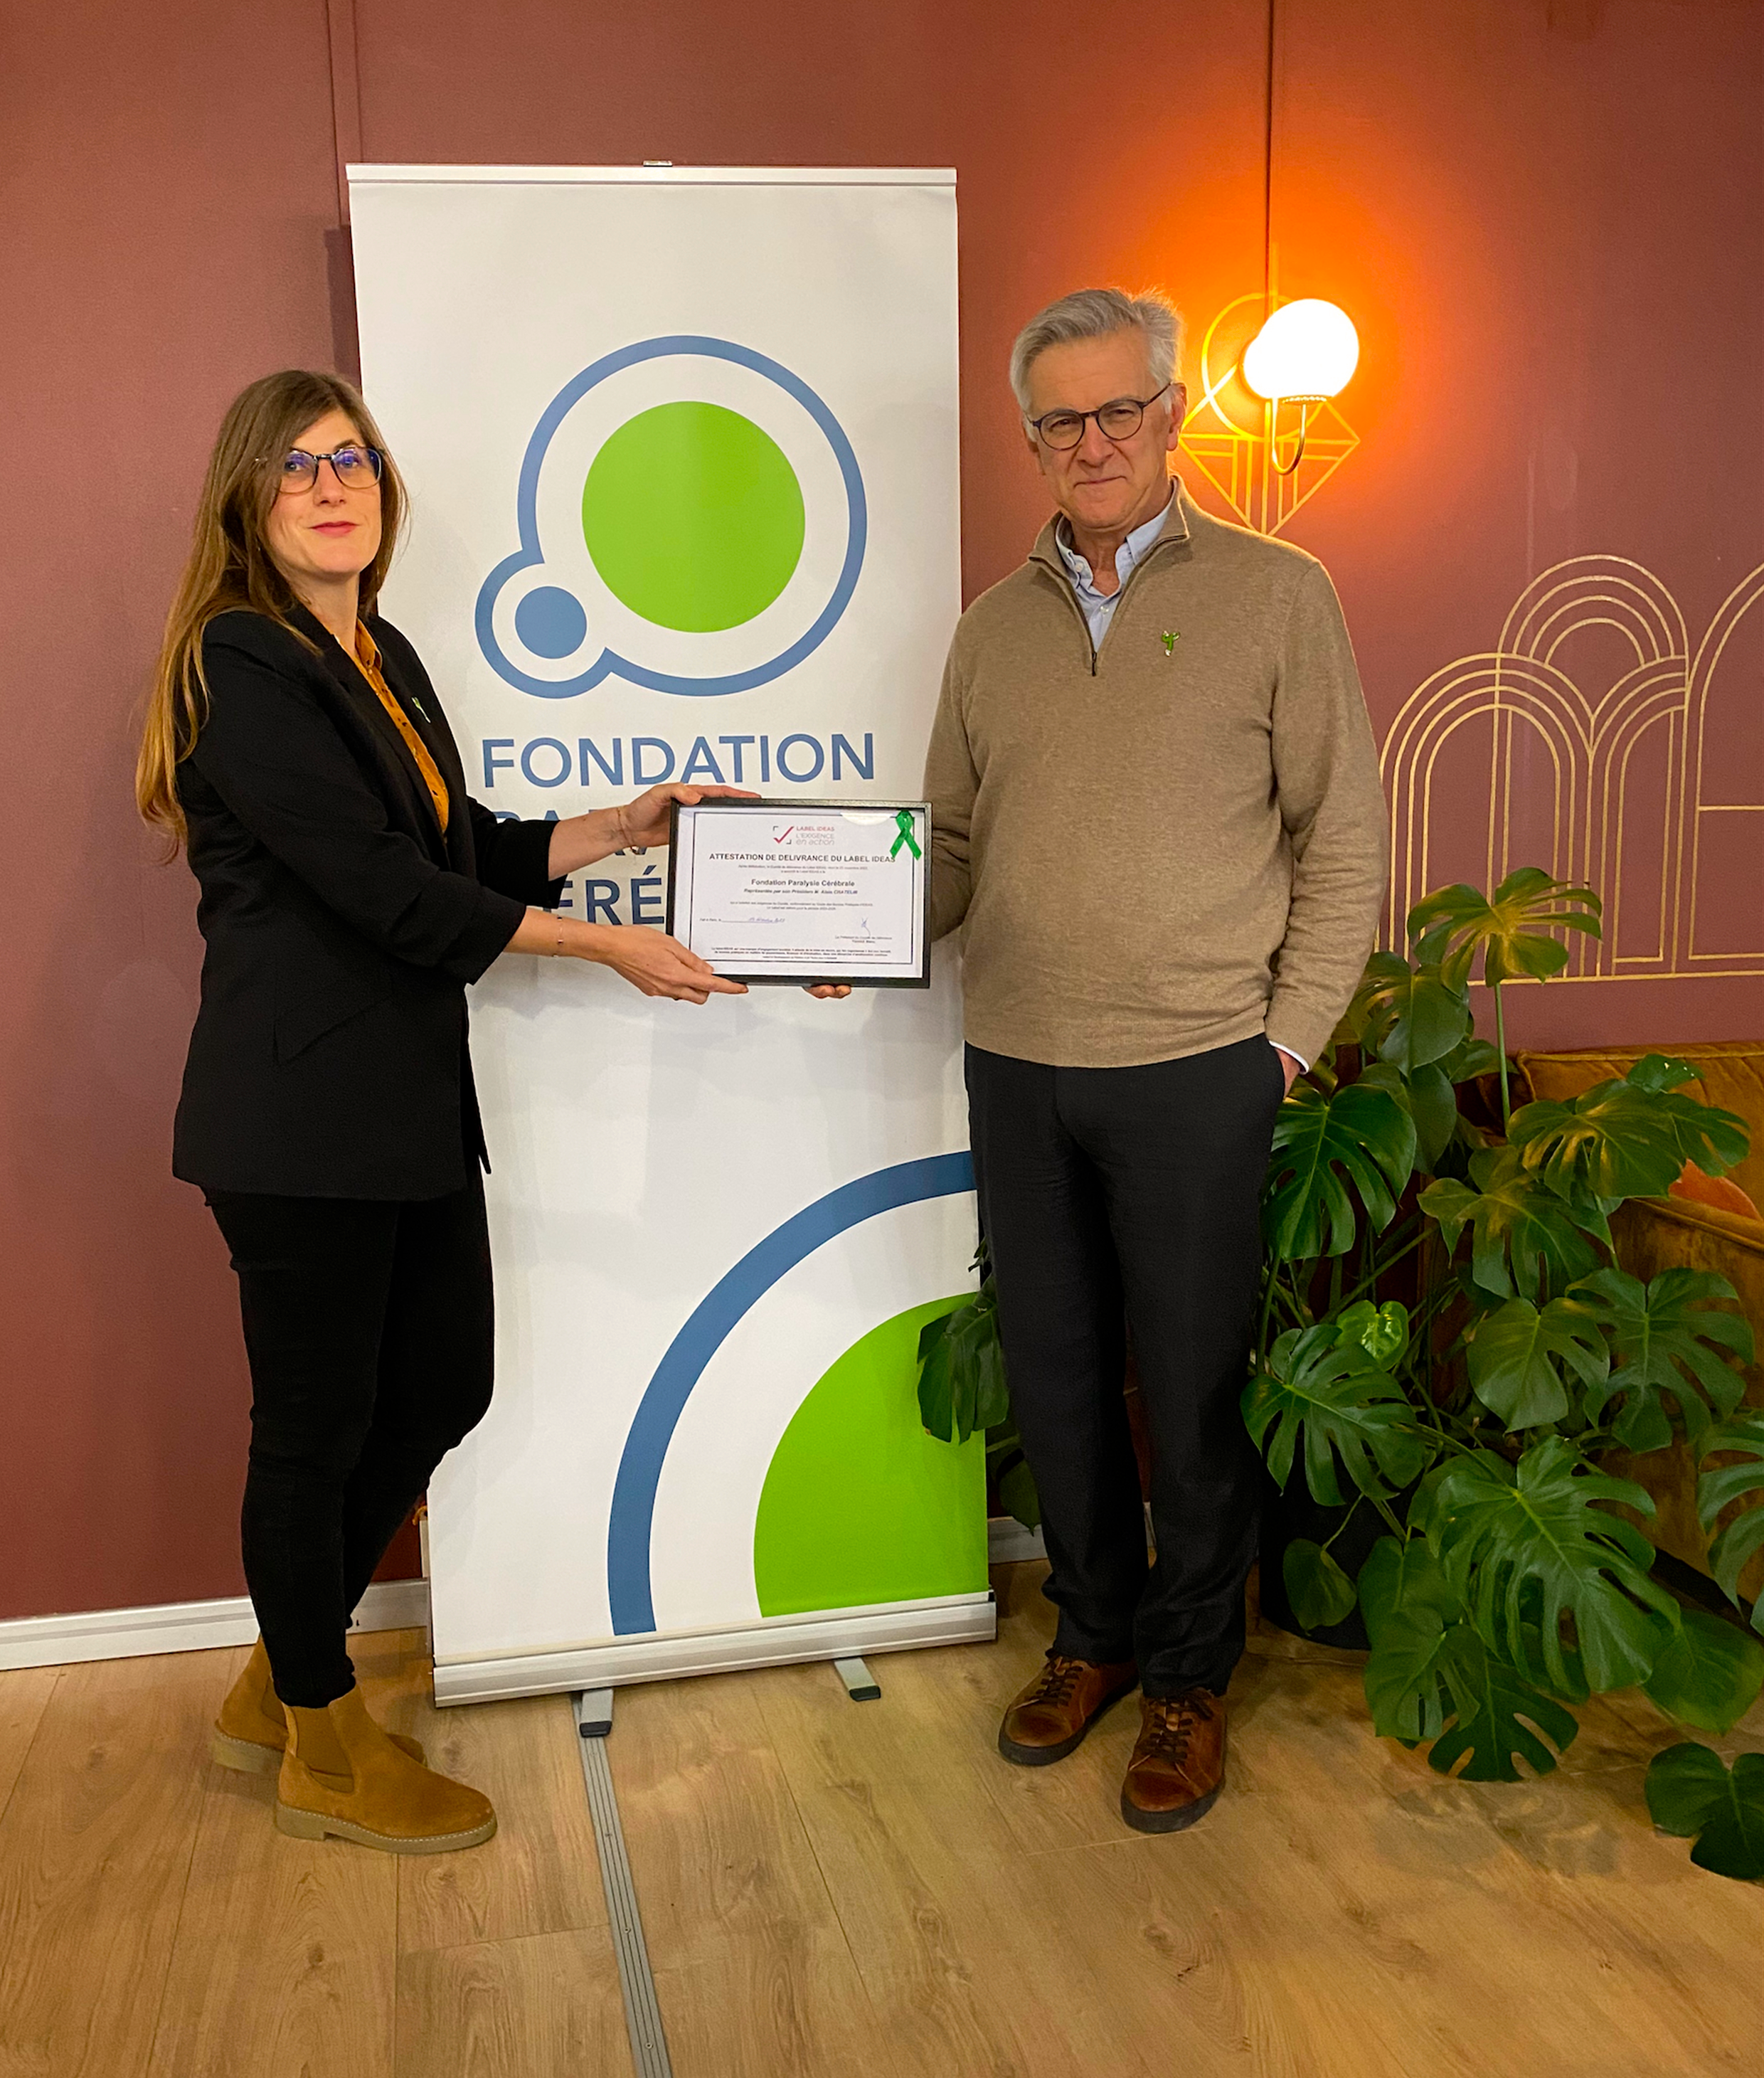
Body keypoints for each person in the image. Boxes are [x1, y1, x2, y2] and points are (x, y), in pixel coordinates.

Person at [137, 369, 752, 1855]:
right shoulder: (241, 659)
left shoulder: (379, 647)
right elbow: (383, 889)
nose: (333, 483)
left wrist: (618, 829)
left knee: (437, 1389)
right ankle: (323, 1742)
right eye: (296, 468)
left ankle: (280, 1680)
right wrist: (607, 946)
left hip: (402, 1106)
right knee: (313, 1430)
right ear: (246, 500)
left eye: (353, 457)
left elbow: (453, 843)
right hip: (298, 1125)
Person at [923, 288, 1386, 1833]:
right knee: (1055, 1384)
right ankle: (1097, 1639)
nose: (1092, 441)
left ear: (1172, 415)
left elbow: (1343, 846)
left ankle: (1190, 1677)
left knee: (1185, 1393)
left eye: (1119, 410)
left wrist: (1284, 1049)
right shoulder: (991, 628)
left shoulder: (1277, 592)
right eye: (1060, 419)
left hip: (1201, 1066)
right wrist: (815, 917)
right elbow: (957, 845)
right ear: (1032, 439)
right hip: (1016, 1060)